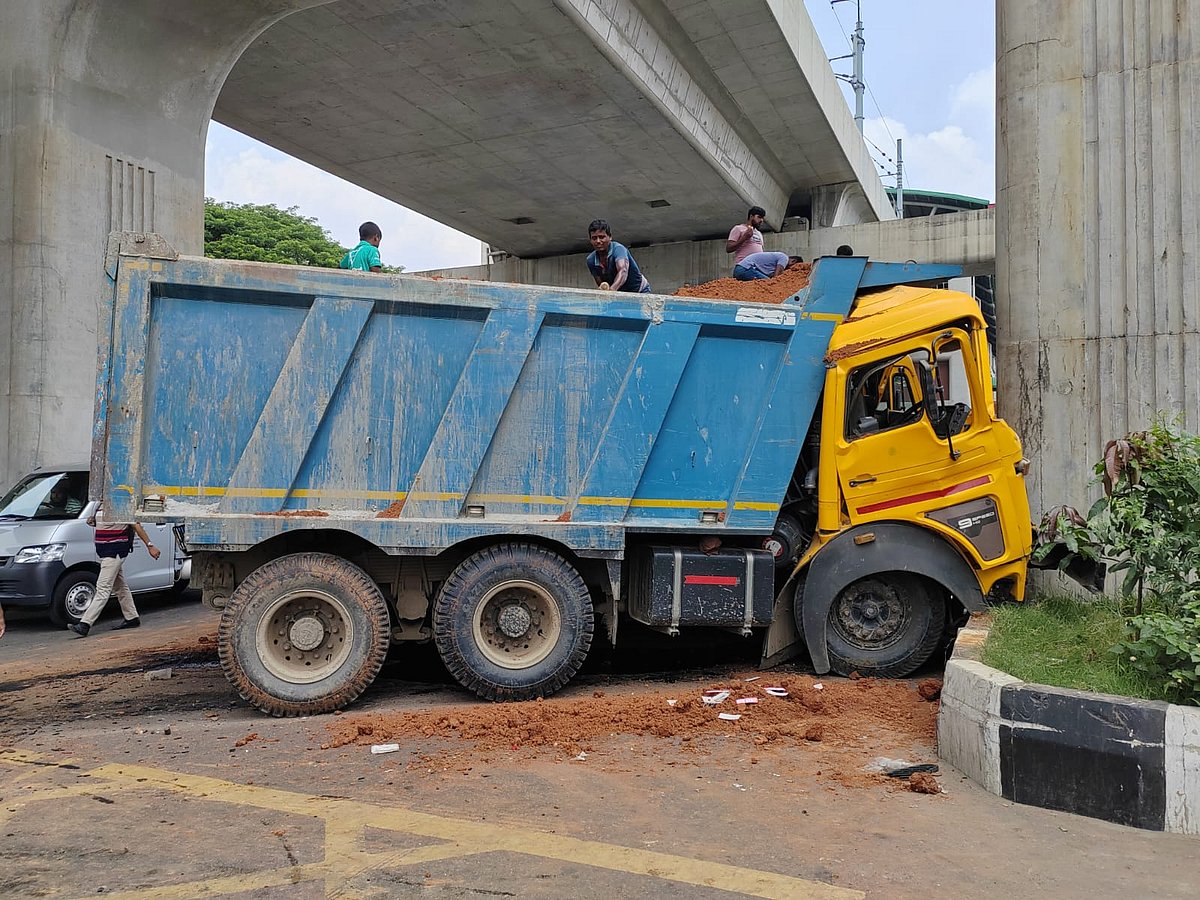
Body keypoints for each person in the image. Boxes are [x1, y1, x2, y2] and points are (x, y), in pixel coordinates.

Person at [68, 510, 160, 637]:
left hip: (114, 552)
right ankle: (132, 617)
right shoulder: (101, 505)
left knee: (103, 588)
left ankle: (85, 624)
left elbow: (136, 525)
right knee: (120, 586)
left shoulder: (121, 505)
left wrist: (150, 545)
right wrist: (94, 521)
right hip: (105, 552)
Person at [586, 220, 651, 293]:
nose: (598, 241)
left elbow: (623, 271)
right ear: (590, 240)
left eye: (601, 237)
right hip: (619, 293)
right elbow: (601, 285)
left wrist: (611, 291)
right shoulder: (591, 260)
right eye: (594, 238)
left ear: (610, 237)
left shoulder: (619, 249)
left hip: (640, 291)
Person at [732, 252, 803, 281]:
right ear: (793, 261)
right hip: (745, 269)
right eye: (793, 267)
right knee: (769, 283)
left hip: (740, 269)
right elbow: (776, 278)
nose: (790, 270)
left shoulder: (772, 267)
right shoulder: (784, 258)